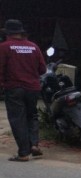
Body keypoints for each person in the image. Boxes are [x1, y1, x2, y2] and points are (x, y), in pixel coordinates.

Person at [0, 19, 46, 161]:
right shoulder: (34, 47)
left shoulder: (4, 47)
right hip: (33, 88)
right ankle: (34, 145)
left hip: (14, 89)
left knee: (17, 119)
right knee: (32, 116)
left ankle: (23, 153)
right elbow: (43, 69)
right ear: (21, 33)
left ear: (8, 34)